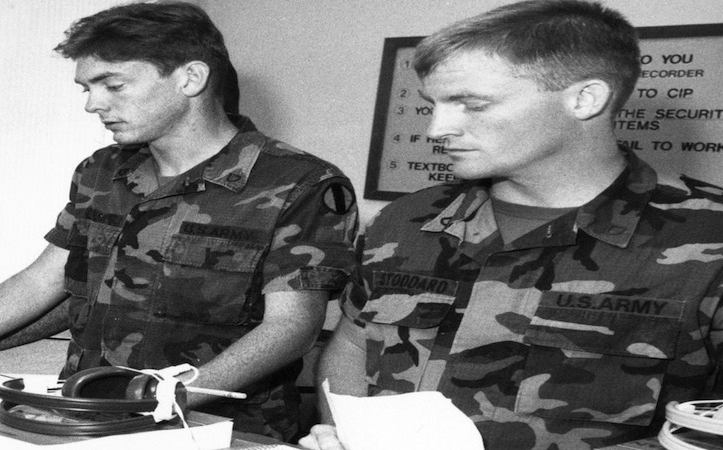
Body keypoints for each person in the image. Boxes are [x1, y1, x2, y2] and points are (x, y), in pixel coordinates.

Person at [0, 1, 359, 441]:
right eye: (87, 88)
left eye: (113, 85)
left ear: (190, 78)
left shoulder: (299, 183)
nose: (93, 104)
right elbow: (44, 279)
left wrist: (164, 398)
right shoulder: (102, 170)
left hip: (216, 427)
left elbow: (291, 326)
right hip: (85, 413)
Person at [302, 1, 723, 449]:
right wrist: (347, 436)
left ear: (585, 99)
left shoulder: (708, 237)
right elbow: (354, 345)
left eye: (473, 105)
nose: (436, 130)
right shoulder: (406, 220)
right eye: (434, 105)